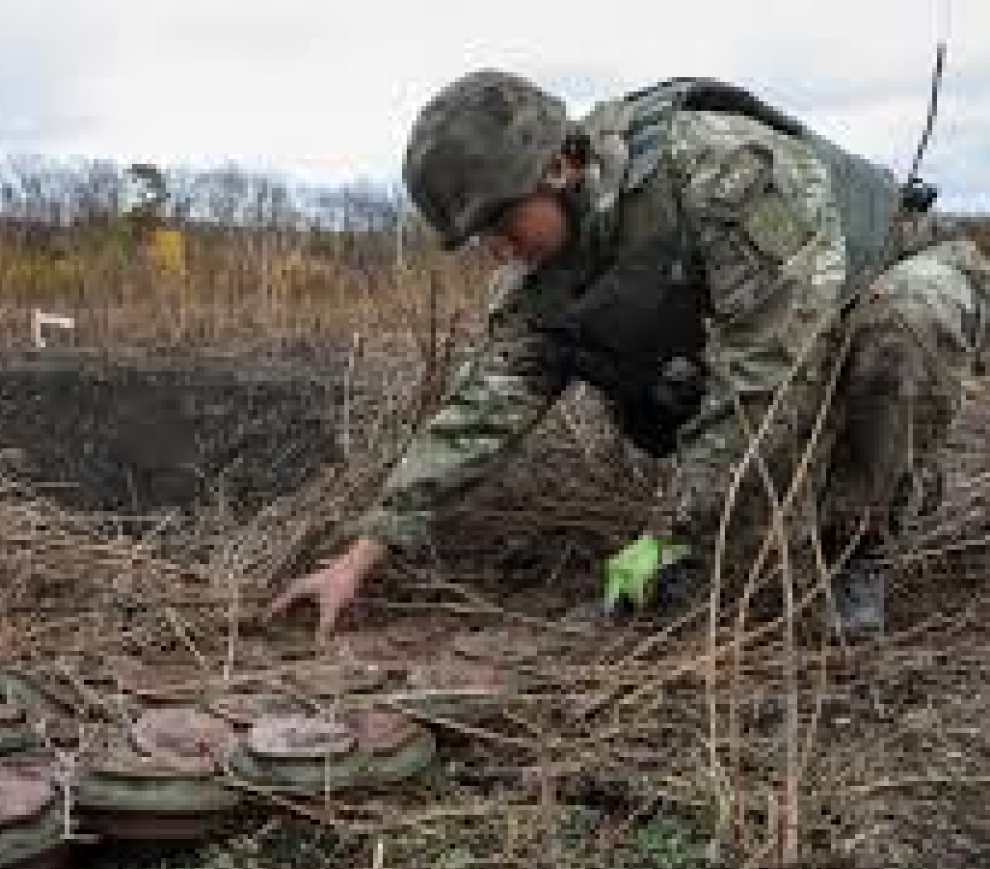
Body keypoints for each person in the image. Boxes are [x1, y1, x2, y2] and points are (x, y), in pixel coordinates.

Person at [270, 71, 990, 643]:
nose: (496, 247)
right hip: (780, 329)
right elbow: (484, 407)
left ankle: (857, 544)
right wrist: (366, 551)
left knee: (905, 326)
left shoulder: (721, 169)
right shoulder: (544, 273)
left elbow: (769, 379)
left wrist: (671, 544)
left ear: (557, 167)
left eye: (499, 219)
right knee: (659, 380)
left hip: (886, 282)